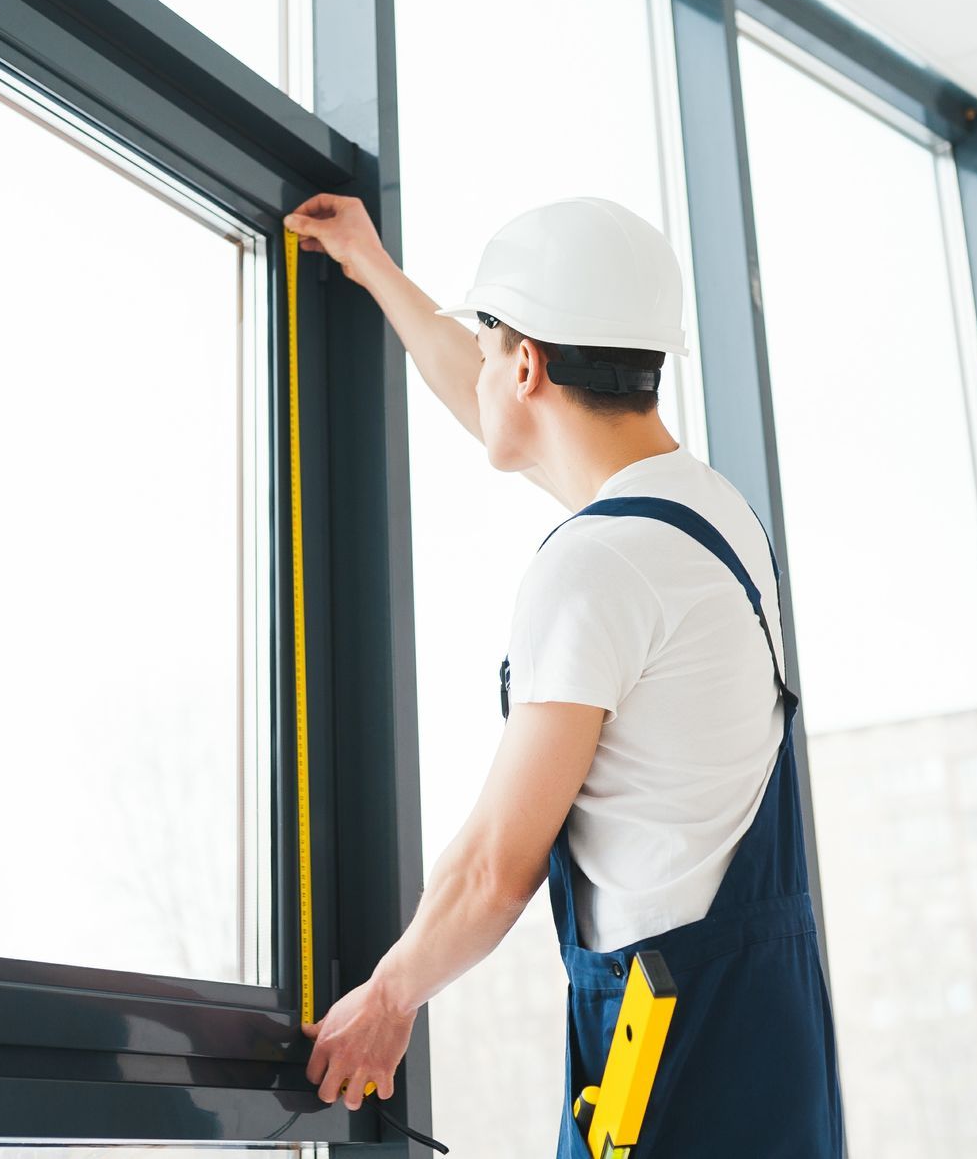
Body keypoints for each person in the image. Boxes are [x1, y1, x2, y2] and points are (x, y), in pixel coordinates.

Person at [283, 193, 844, 1155]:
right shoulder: (709, 517)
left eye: (496, 342)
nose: (487, 366)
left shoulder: (595, 567)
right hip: (770, 1039)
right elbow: (494, 398)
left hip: (673, 1062)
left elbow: (497, 865)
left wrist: (389, 993)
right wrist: (374, 269)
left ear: (532, 364)